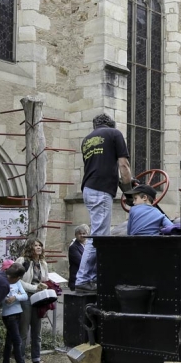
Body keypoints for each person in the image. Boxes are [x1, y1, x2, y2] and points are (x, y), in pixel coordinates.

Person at [75, 114, 132, 293]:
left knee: (98, 234)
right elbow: (124, 165)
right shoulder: (114, 134)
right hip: (101, 190)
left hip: (89, 189)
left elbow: (101, 166)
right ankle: (83, 279)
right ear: (111, 125)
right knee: (99, 237)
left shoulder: (86, 140)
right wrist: (129, 191)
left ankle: (91, 278)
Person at [16, 239, 54, 363]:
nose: (38, 248)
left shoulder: (43, 263)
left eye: (40, 245)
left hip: (39, 298)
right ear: (29, 248)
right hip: (25, 296)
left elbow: (45, 279)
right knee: (23, 330)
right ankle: (20, 362)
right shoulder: (22, 261)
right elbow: (17, 281)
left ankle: (36, 360)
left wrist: (44, 286)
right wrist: (34, 287)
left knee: (37, 331)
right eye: (35, 246)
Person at [0, 261, 38, 363]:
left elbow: (25, 296)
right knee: (17, 341)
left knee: (9, 341)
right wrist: (6, 299)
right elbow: (1, 298)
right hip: (8, 315)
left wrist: (15, 297)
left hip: (18, 313)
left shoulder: (17, 282)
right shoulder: (4, 282)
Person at [68, 224, 89, 291]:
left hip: (86, 280)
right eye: (80, 234)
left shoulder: (88, 246)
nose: (82, 235)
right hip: (77, 281)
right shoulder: (73, 247)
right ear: (76, 235)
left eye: (84, 233)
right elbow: (82, 262)